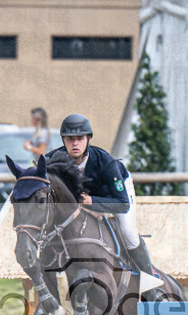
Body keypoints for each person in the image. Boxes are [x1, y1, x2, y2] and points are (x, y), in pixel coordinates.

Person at [47, 113, 159, 277]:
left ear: (89, 140)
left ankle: (150, 276)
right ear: (63, 140)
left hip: (115, 195)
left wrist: (91, 201)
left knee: (128, 231)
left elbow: (122, 204)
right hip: (82, 199)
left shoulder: (106, 163)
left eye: (80, 138)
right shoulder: (52, 160)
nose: (75, 143)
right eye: (70, 138)